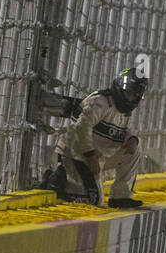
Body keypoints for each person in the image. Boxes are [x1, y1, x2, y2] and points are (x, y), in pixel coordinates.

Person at [47, 67, 148, 208]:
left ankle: (121, 196)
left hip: (97, 158)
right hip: (75, 154)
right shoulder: (100, 101)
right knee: (92, 201)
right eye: (128, 91)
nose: (130, 96)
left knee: (135, 149)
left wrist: (132, 139)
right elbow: (81, 127)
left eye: (134, 94)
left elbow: (126, 130)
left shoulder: (125, 112)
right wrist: (90, 155)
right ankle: (57, 176)